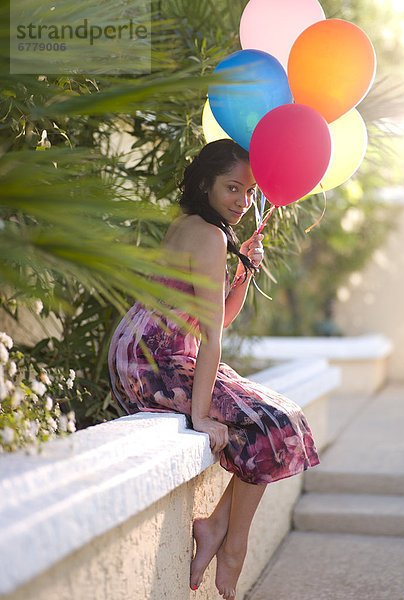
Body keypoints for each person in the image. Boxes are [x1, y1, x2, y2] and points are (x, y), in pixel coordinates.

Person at [108, 139, 320, 600]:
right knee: (279, 426)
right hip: (156, 364)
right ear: (205, 184)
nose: (243, 202)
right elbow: (211, 336)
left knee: (277, 420)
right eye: (232, 188)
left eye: (250, 192)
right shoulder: (209, 235)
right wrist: (201, 416)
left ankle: (218, 525)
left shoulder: (194, 225)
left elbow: (217, 317)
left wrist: (242, 273)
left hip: (147, 354)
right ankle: (233, 544)